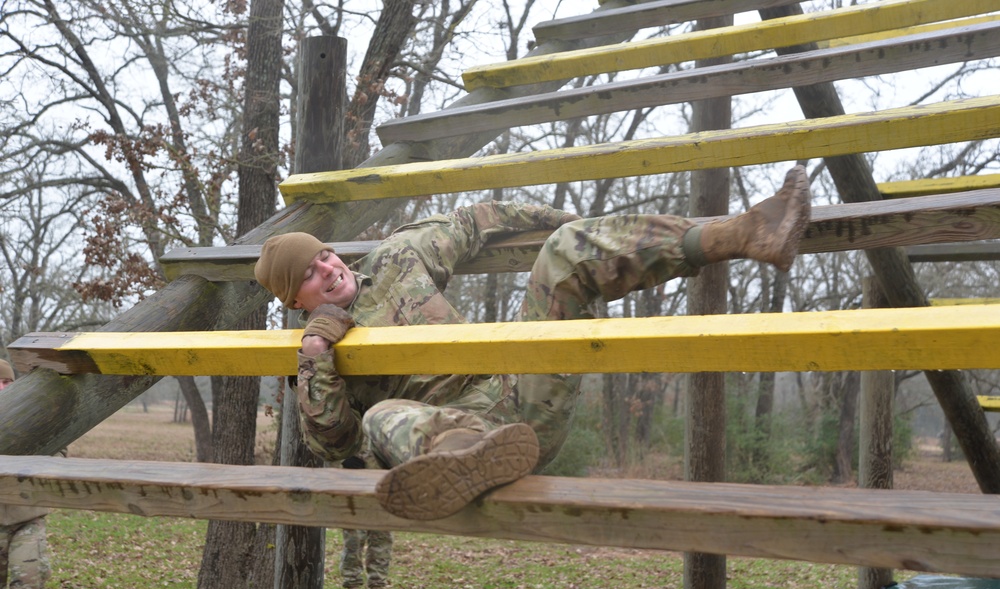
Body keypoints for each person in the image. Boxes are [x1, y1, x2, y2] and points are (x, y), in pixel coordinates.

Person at [254, 166, 811, 522]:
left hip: (522, 394)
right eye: (307, 273)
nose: (326, 269)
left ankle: (741, 234)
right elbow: (333, 444)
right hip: (458, 434)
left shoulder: (398, 259)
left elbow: (477, 220)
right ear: (294, 299)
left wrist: (570, 222)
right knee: (380, 418)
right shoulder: (310, 350)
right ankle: (465, 459)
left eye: (323, 254)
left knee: (567, 247)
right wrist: (317, 358)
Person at [0, 359, 51, 589]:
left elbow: (58, 450)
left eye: (9, 383)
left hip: (27, 517)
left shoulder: (32, 417)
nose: (5, 387)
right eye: (0, 382)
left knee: (28, 585)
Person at [337, 453, 392, 589]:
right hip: (355, 484)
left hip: (382, 484)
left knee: (381, 539)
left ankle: (377, 587)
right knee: (354, 540)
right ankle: (352, 587)